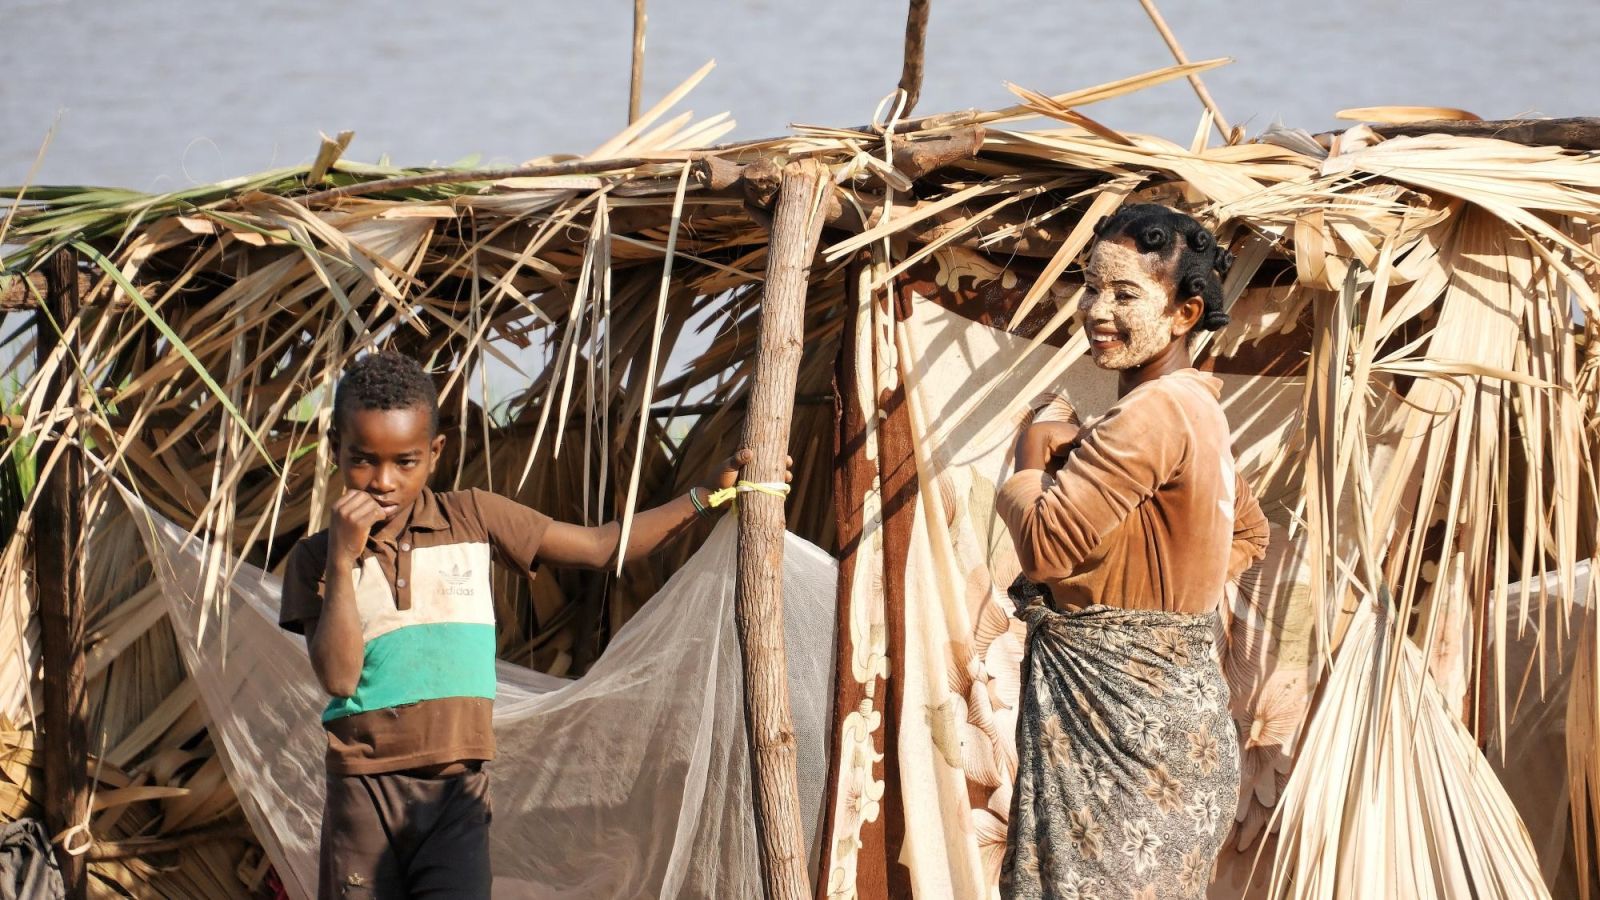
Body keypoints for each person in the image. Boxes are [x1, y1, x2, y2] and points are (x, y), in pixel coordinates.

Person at [277, 350, 786, 899]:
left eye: (405, 461)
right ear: (335, 449)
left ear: (435, 453)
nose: (383, 481)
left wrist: (704, 497)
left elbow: (600, 546)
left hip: (455, 797)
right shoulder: (315, 559)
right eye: (362, 460)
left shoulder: (472, 518)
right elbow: (339, 677)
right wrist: (342, 558)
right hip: (362, 794)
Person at [994, 204, 1270, 899]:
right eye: (1091, 288)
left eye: (1124, 294)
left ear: (1184, 314)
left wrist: (1030, 454)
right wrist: (1160, 598)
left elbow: (1045, 548)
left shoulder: (1153, 410)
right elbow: (1249, 533)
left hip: (1123, 748)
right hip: (1178, 733)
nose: (1096, 311)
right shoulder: (1199, 407)